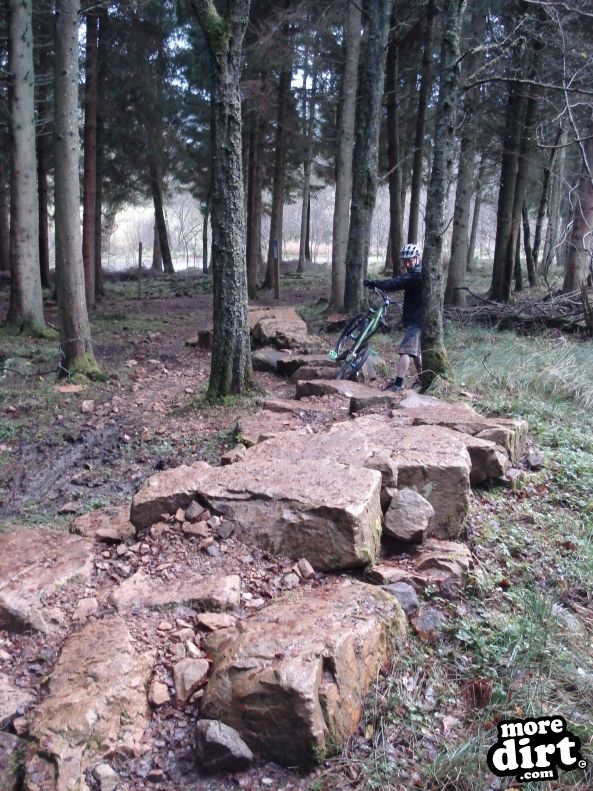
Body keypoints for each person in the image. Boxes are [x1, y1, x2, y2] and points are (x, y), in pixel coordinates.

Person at [363, 243, 423, 392]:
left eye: (410, 261)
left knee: (405, 351)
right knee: (416, 353)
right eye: (405, 261)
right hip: (416, 317)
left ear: (417, 258)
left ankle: (398, 384)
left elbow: (395, 283)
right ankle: (424, 379)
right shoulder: (415, 272)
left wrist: (374, 283)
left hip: (418, 320)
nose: (407, 264)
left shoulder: (417, 274)